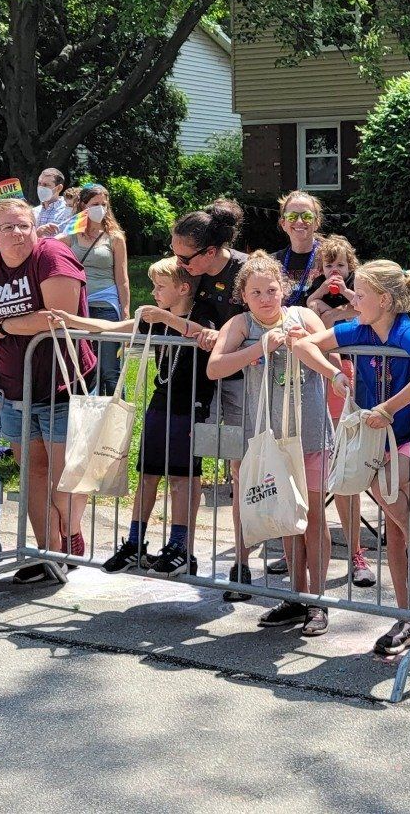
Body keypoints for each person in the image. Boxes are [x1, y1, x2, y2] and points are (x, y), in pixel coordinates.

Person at [294, 261, 410, 656]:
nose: (352, 300)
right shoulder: (356, 330)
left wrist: (389, 408)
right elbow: (303, 345)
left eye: (359, 294)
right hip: (378, 440)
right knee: (391, 525)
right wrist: (334, 373)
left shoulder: (406, 330)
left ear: (383, 299)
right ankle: (406, 619)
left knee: (385, 487)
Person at [207, 254, 342, 637]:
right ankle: (296, 595)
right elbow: (215, 367)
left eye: (271, 290)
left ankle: (319, 600)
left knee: (313, 515)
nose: (266, 298)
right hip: (267, 436)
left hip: (310, 432)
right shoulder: (240, 324)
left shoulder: (304, 317)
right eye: (256, 292)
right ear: (243, 297)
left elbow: (335, 361)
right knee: (286, 514)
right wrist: (258, 349)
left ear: (282, 289)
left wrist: (307, 346)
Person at [58, 256, 219, 578]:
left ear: (183, 288)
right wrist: (71, 321)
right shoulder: (157, 320)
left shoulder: (205, 315)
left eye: (161, 286)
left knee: (182, 478)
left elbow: (206, 335)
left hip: (192, 405)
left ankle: (180, 546)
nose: (154, 292)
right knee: (147, 473)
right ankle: (134, 542)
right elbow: (117, 327)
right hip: (161, 401)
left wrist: (164, 317)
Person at [0, 198, 94, 582]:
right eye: (8, 227)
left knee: (64, 472)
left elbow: (57, 316)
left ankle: (70, 536)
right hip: (15, 388)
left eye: (24, 225)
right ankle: (46, 551)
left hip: (63, 382)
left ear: (36, 227)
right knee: (32, 471)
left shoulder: (52, 256)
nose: (18, 233)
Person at [170, 199, 255, 598]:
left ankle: (241, 562)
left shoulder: (247, 271)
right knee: (193, 463)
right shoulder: (194, 272)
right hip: (206, 380)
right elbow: (189, 311)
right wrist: (199, 327)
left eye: (184, 257)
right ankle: (181, 549)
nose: (178, 263)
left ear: (209, 252)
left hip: (246, 380)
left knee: (242, 471)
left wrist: (225, 339)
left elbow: (269, 318)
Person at [307, 233, 372, 587]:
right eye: (329, 265)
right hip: (320, 385)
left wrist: (346, 298)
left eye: (341, 266)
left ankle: (357, 553)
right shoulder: (315, 303)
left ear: (351, 268)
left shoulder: (359, 298)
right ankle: (304, 550)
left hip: (350, 383)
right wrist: (322, 296)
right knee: (313, 475)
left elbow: (364, 312)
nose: (335, 271)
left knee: (347, 473)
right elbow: (309, 310)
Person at [65, 184, 129, 387]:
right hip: (78, 306)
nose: (100, 208)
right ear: (83, 205)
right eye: (94, 204)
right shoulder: (71, 233)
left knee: (110, 371)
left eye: (103, 204)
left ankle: (114, 417)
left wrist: (125, 312)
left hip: (105, 305)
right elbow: (48, 248)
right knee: (82, 370)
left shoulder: (115, 237)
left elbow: (122, 278)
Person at [273, 191, 325, 307]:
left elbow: (357, 298)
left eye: (307, 216)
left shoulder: (332, 258)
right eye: (292, 216)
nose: (299, 221)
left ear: (317, 222)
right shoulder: (272, 262)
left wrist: (332, 315)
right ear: (283, 224)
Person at [32, 168, 76, 238]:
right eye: (39, 183)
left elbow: (71, 240)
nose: (40, 187)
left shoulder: (69, 211)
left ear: (59, 188)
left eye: (46, 185)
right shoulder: (33, 212)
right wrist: (38, 234)